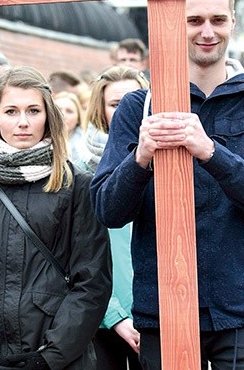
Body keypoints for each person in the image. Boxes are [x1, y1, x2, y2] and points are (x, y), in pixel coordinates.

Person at [91, 0, 244, 370]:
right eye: (194, 20)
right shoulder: (139, 107)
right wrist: (141, 158)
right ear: (172, 26)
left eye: (218, 20)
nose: (207, 32)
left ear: (233, 22)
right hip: (163, 306)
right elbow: (107, 209)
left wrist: (211, 152)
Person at [0, 66, 112, 369]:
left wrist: (49, 358)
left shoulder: (76, 186)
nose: (22, 122)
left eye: (33, 110)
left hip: (61, 360)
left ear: (48, 116)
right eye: (11, 111)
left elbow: (92, 282)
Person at [81, 65, 148, 370]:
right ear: (101, 110)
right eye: (115, 104)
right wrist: (116, 316)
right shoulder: (82, 173)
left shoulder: (171, 165)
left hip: (154, 312)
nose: (127, 110)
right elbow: (80, 255)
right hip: (103, 317)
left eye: (136, 99)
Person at [53, 91, 87, 165]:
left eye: (69, 111)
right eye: (58, 110)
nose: (63, 115)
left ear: (78, 118)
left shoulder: (89, 144)